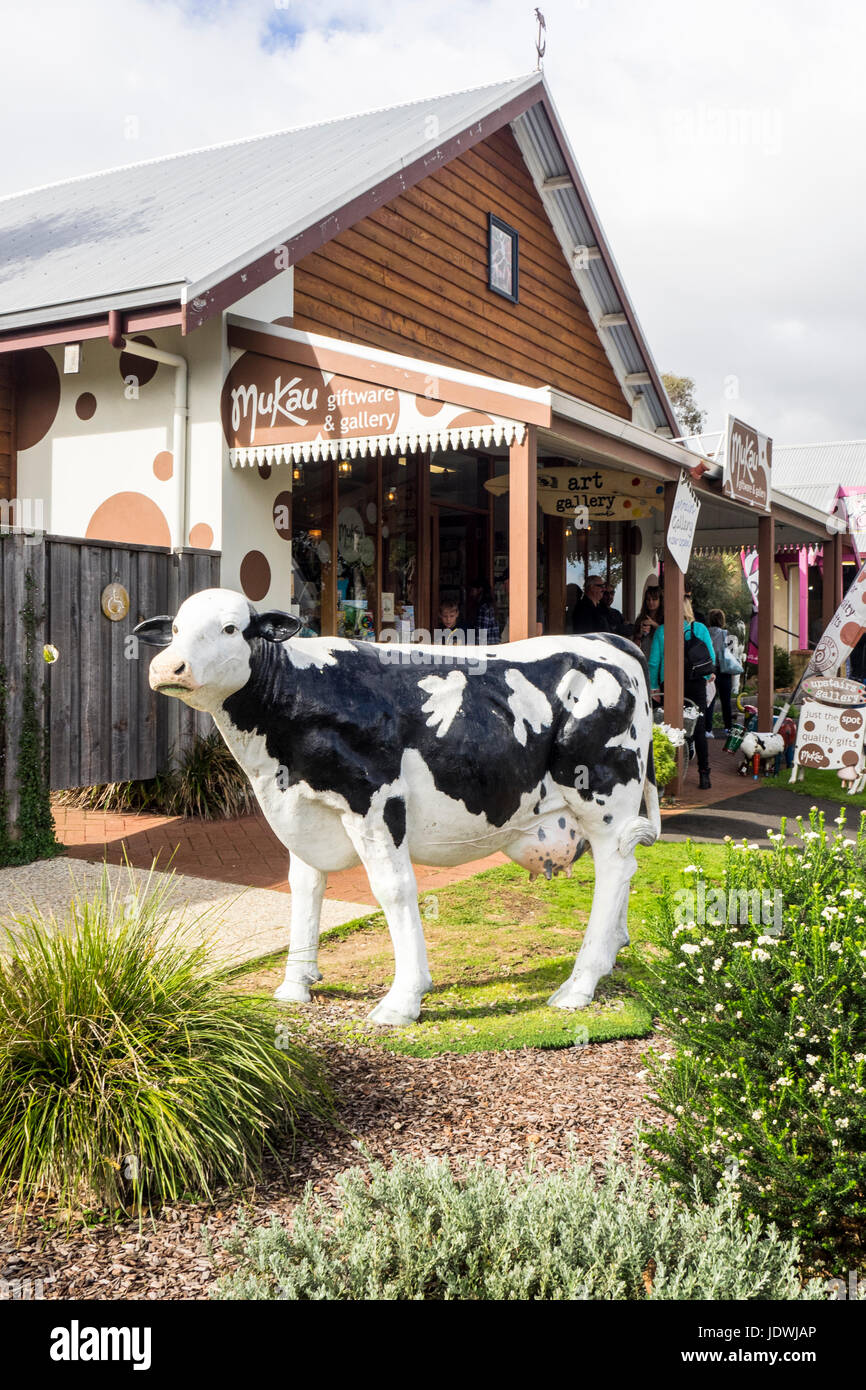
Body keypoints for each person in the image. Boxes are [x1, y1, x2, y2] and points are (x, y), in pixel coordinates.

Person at [648, 596, 716, 789]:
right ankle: (704, 774)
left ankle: (666, 773)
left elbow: (654, 662)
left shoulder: (662, 631)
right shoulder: (700, 629)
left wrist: (654, 687)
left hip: (669, 682)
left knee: (667, 727)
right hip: (695, 684)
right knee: (699, 728)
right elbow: (710, 657)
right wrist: (707, 677)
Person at [706, 607, 734, 734]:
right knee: (726, 701)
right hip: (724, 671)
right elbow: (732, 652)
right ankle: (728, 727)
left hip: (709, 670)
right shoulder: (726, 634)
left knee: (709, 700)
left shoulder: (705, 632)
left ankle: (708, 729)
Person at [633, 584, 663, 660]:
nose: (651, 602)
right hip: (644, 659)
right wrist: (640, 633)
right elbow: (634, 646)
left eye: (654, 599)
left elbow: (669, 637)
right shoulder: (641, 618)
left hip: (660, 660)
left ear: (660, 600)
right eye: (648, 599)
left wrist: (654, 625)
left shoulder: (665, 618)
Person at [467, 579, 501, 646]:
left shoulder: (483, 608)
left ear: (480, 590)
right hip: (494, 646)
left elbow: (481, 635)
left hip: (485, 649)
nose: (471, 594)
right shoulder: (491, 605)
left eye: (472, 590)